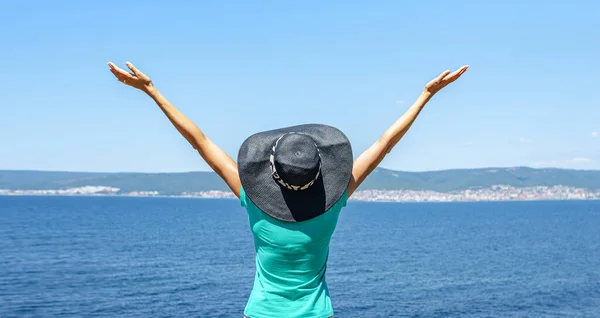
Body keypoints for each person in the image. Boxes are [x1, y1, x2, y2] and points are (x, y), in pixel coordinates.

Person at [107, 61, 468, 318]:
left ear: (269, 169)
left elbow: (199, 142)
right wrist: (425, 95)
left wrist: (152, 91)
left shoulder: (252, 200)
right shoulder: (336, 199)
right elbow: (384, 144)